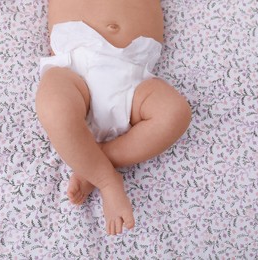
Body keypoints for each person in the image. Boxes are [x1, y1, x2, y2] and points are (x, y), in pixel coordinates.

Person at [35, 0, 192, 236]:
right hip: (76, 65)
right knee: (54, 107)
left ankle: (96, 161)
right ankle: (106, 180)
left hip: (133, 72)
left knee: (175, 113)